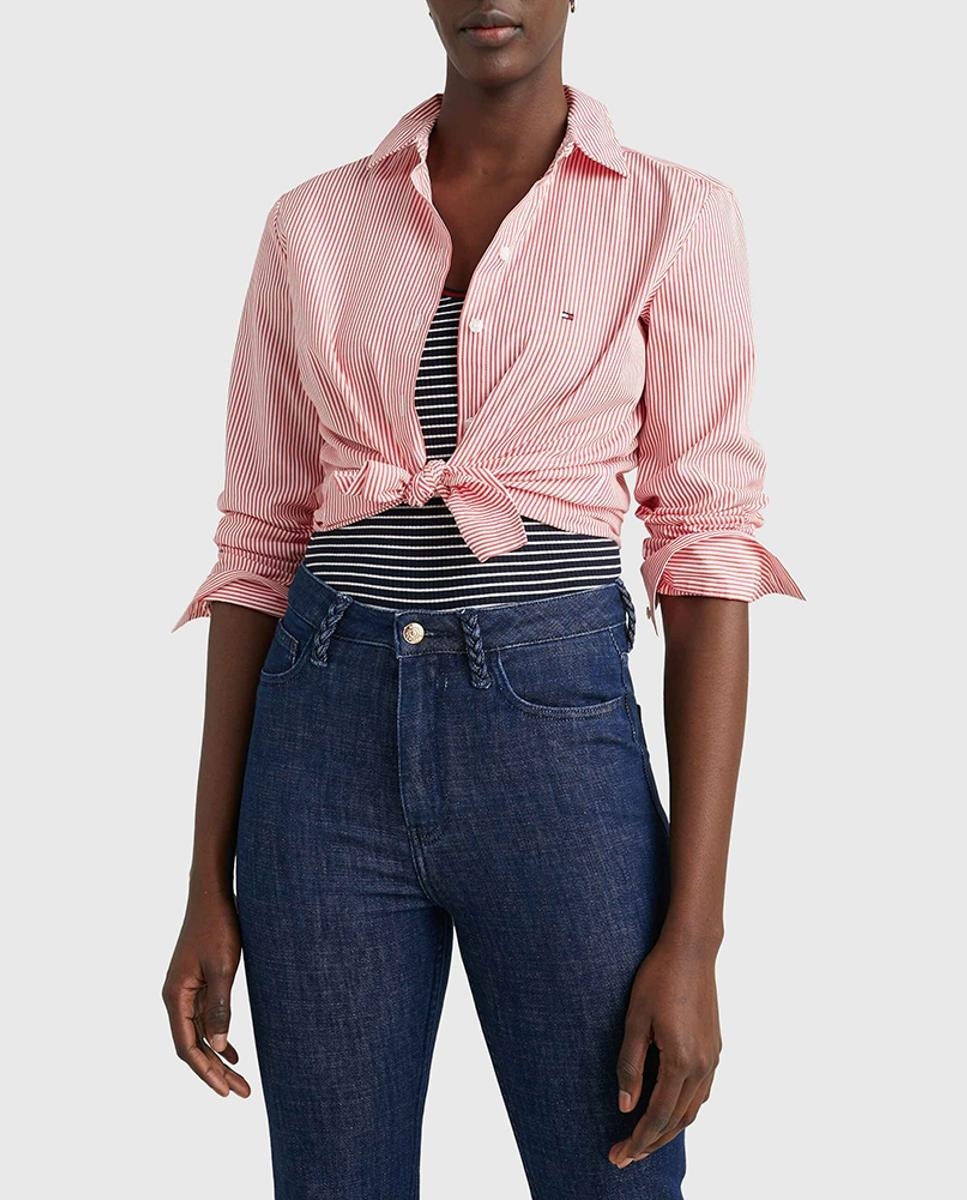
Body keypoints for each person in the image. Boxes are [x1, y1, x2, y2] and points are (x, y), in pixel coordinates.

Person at [162, 3, 803, 1197]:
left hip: (554, 744)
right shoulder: (313, 222)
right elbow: (259, 544)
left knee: (613, 1174)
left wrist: (695, 937)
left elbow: (705, 549)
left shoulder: (675, 214)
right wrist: (207, 879)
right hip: (319, 751)